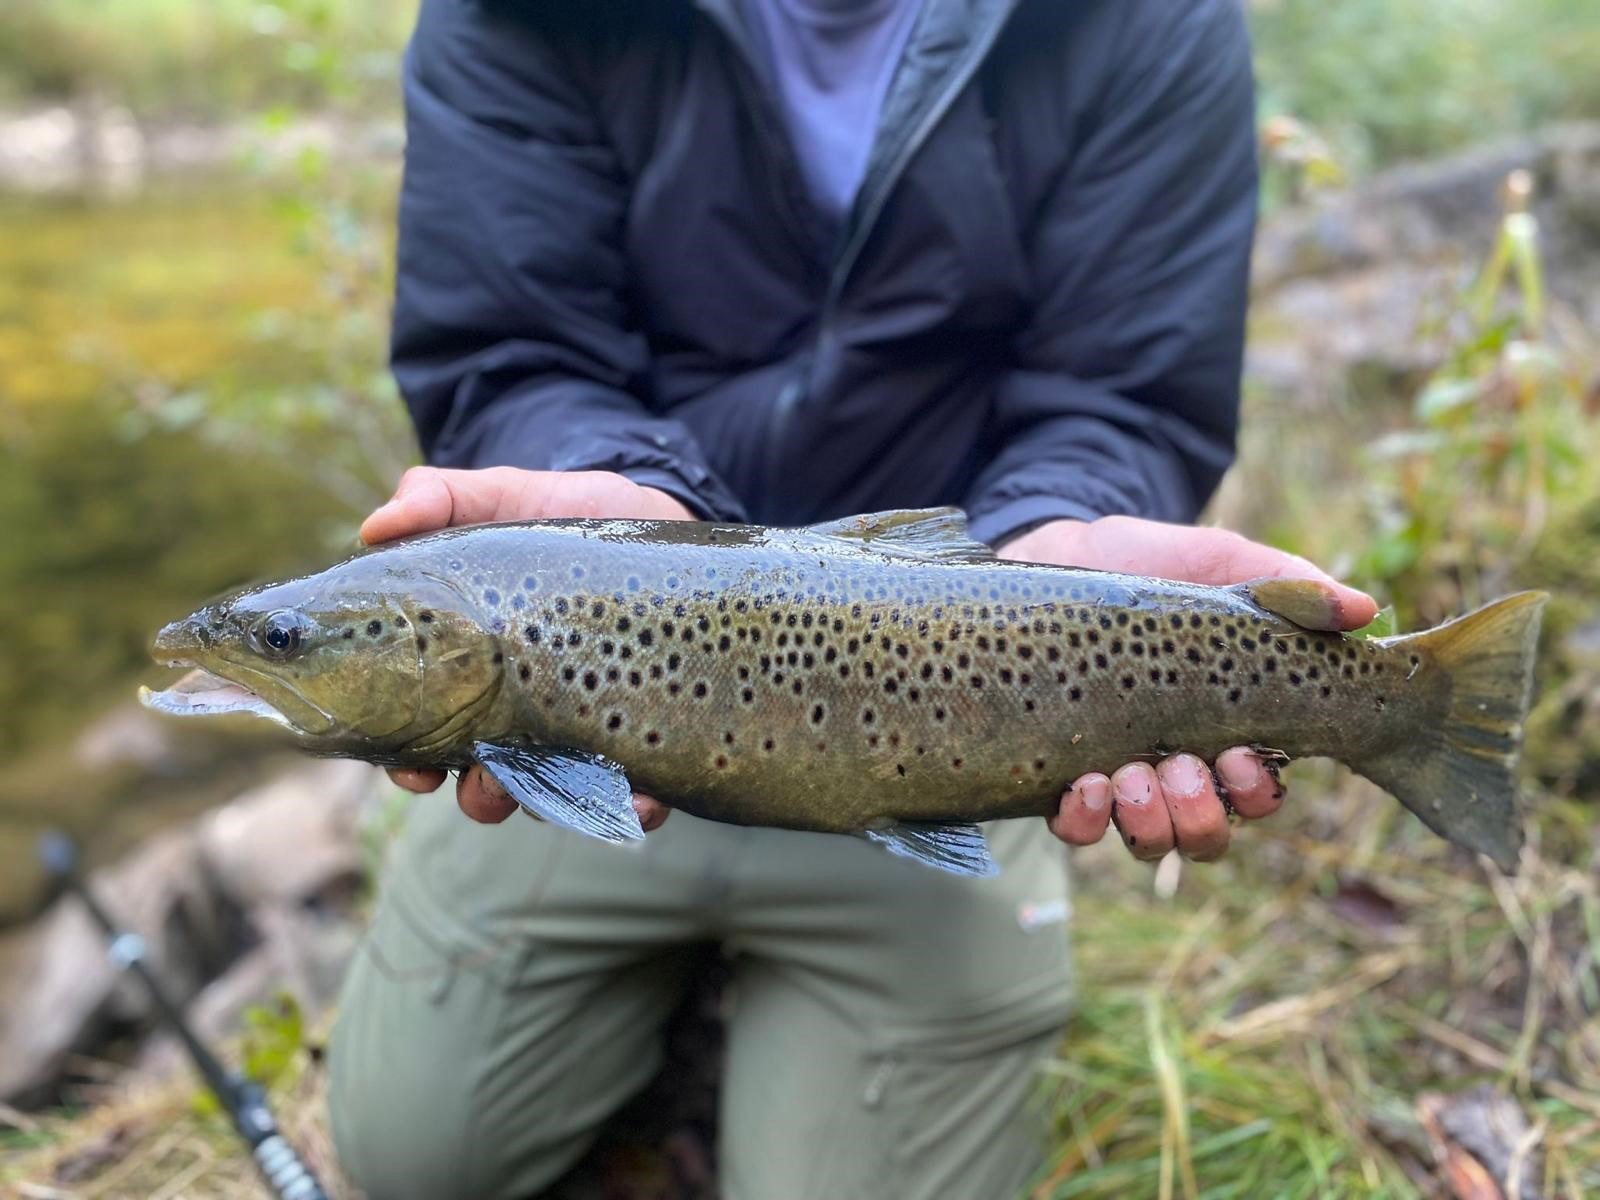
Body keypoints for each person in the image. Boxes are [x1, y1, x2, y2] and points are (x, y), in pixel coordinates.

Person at [327, 1, 1377, 1197]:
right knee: (414, 1155)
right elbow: (513, 352)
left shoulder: (1147, 20)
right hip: (591, 700)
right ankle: (688, 1023)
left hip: (962, 693)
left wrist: (1065, 540)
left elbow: (1126, 392)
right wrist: (620, 523)